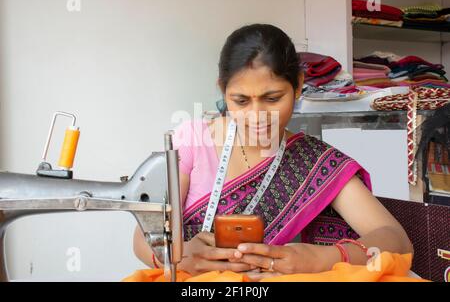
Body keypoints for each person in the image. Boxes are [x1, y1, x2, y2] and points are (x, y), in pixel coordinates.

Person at [133, 24, 413, 281]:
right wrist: (180, 257)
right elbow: (143, 239)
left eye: (272, 98)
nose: (257, 116)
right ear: (223, 89)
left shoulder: (313, 160)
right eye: (241, 101)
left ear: (299, 86)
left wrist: (323, 257)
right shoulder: (193, 140)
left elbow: (396, 240)